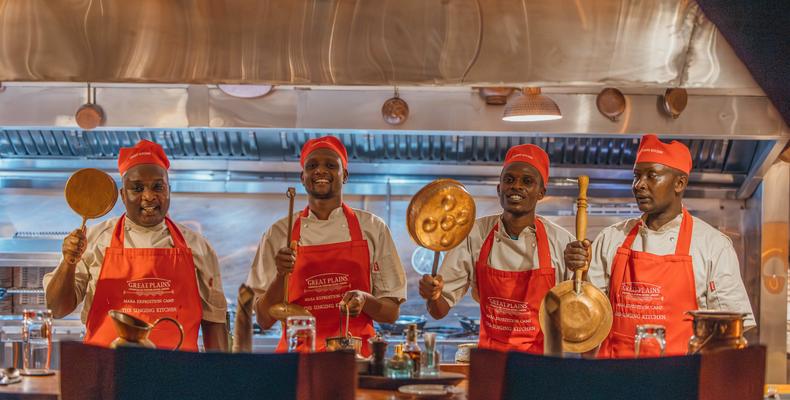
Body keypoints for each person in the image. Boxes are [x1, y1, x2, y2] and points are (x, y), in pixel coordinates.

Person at [564, 134, 754, 358]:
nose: (639, 185)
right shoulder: (612, 238)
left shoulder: (712, 245)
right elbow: (588, 320)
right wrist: (579, 272)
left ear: (679, 183)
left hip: (679, 383)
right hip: (613, 380)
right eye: (636, 176)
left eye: (651, 176)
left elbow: (728, 333)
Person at [44, 140, 228, 351]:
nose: (149, 197)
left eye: (157, 187)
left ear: (169, 190)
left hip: (178, 377)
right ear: (123, 195)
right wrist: (69, 262)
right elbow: (56, 309)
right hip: (108, 375)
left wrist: (222, 380)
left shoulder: (198, 247)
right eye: (137, 188)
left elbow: (214, 323)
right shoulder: (94, 241)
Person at [249, 136, 406, 355]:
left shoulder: (372, 227)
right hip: (297, 359)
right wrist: (281, 275)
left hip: (356, 357)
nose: (320, 171)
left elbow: (391, 313)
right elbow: (264, 319)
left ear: (345, 175)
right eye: (312, 166)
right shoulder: (278, 233)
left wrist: (364, 299)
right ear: (302, 177)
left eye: (331, 165)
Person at [418, 144, 574, 354]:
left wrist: (582, 268)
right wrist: (433, 295)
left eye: (527, 181)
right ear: (499, 188)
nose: (516, 186)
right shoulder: (474, 234)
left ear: (541, 192)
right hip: (491, 362)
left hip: (543, 365)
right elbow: (439, 310)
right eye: (509, 180)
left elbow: (579, 314)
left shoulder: (562, 242)